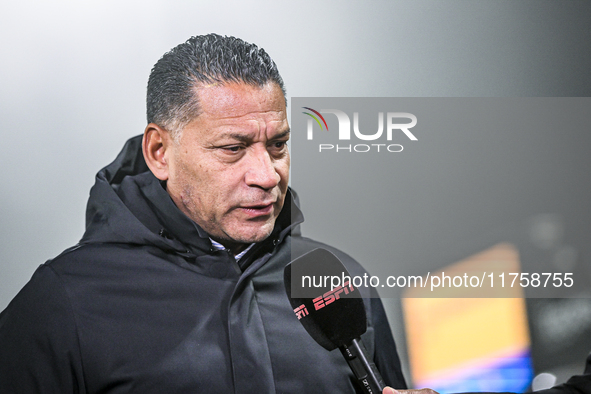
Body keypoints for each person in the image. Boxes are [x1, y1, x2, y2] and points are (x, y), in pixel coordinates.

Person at [0, 34, 407, 393]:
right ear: (160, 152)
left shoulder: (337, 281)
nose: (267, 175)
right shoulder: (61, 303)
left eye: (278, 144)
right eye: (233, 149)